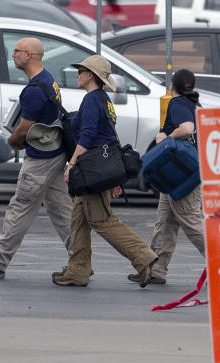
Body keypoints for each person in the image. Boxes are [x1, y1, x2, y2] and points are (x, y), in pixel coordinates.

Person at [52, 55, 158, 287]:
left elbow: (89, 135)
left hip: (91, 170)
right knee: (78, 220)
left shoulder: (91, 100)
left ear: (91, 76)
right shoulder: (103, 100)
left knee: (102, 221)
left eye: (81, 70)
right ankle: (78, 270)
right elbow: (109, 136)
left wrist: (71, 163)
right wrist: (113, 177)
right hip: (100, 169)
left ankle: (143, 257)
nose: (78, 74)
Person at [0, 37, 73, 279]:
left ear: (28, 55)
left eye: (17, 51)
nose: (13, 55)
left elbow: (25, 128)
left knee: (20, 206)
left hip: (40, 159)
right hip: (55, 153)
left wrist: (13, 141)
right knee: (61, 210)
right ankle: (80, 259)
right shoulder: (47, 79)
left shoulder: (34, 90)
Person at [128, 69, 205, 285]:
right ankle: (156, 270)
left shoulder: (178, 104)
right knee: (165, 222)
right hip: (177, 174)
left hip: (181, 176)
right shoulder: (194, 105)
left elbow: (187, 129)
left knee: (191, 222)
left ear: (173, 85)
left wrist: (166, 138)